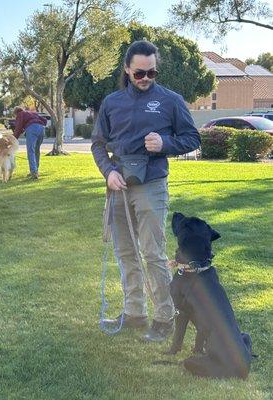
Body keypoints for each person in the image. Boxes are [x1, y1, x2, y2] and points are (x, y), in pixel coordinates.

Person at [92, 40, 200, 342]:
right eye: (139, 73)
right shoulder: (112, 102)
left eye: (151, 73)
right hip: (118, 185)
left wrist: (166, 144)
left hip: (151, 183)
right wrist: (108, 171)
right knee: (125, 252)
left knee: (153, 253)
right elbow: (98, 144)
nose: (145, 79)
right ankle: (135, 313)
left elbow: (192, 138)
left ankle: (164, 317)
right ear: (127, 69)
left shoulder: (171, 100)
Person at [12, 106, 47, 179]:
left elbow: (18, 128)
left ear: (16, 113)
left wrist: (13, 139)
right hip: (41, 129)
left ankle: (34, 172)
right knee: (36, 151)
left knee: (31, 151)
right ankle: (36, 170)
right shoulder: (31, 113)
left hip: (32, 128)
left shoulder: (20, 114)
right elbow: (44, 120)